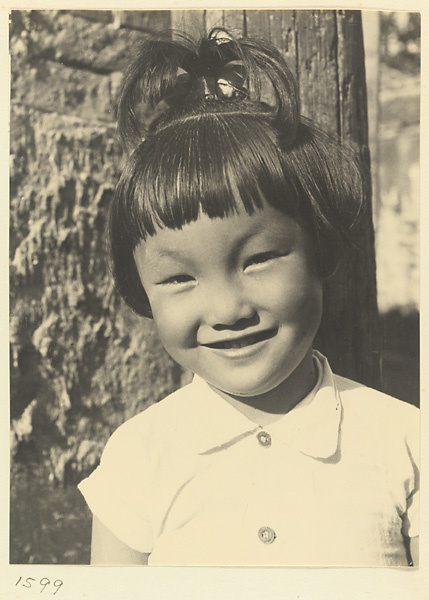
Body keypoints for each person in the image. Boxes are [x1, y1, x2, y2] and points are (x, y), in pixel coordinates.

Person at [78, 28, 419, 567]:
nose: (227, 310)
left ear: (319, 249)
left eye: (257, 259)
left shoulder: (404, 443)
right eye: (178, 279)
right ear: (142, 292)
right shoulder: (138, 459)